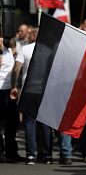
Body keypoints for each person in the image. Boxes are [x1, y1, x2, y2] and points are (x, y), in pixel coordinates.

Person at [10, 28, 54, 165]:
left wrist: (13, 86)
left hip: (29, 90)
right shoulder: (50, 50)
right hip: (45, 90)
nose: (28, 37)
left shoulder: (25, 49)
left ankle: (31, 155)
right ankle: (47, 155)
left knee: (30, 122)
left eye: (30, 34)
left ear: (35, 35)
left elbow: (17, 68)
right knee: (45, 123)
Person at [0, 37, 20, 163]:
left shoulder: (9, 51)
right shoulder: (2, 52)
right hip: (0, 89)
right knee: (0, 123)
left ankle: (11, 151)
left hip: (10, 90)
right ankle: (0, 152)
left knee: (12, 122)